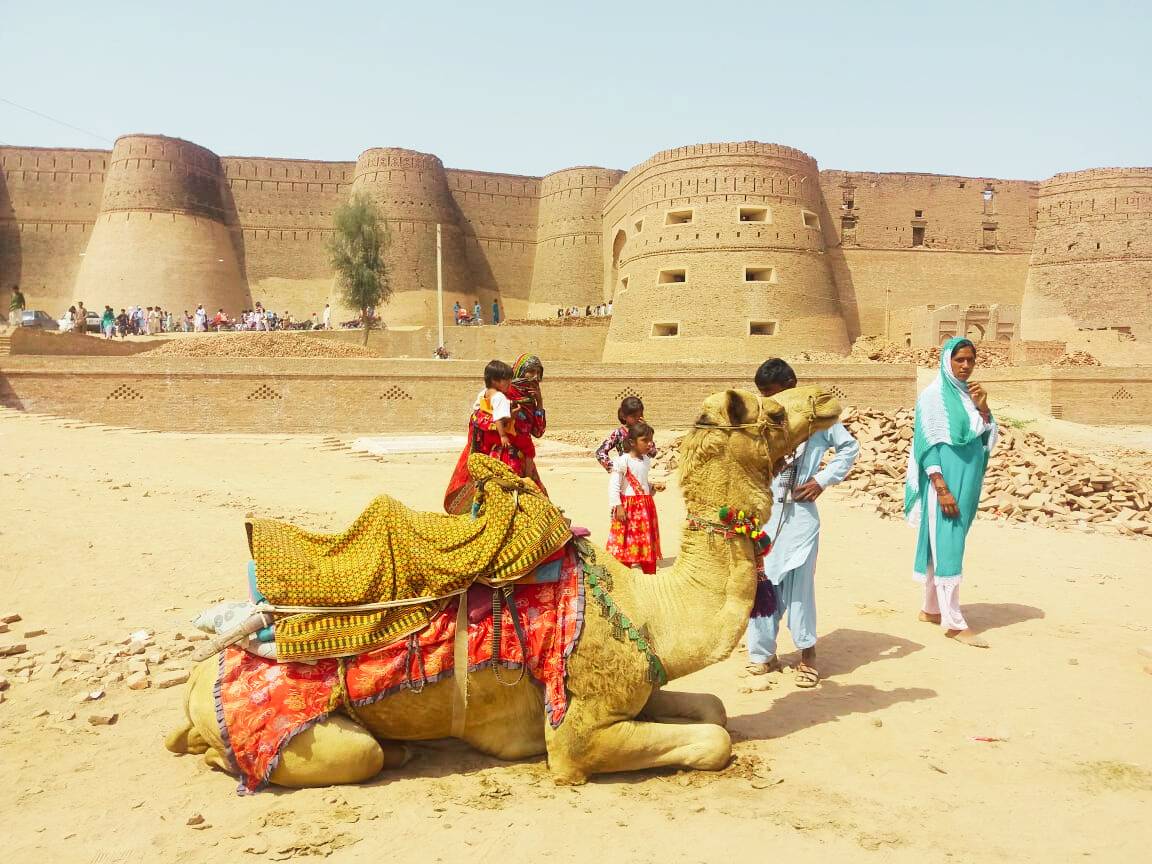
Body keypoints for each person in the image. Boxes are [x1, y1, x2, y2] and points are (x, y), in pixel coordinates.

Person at [744, 358, 859, 688]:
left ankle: (807, 657)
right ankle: (762, 655)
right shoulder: (762, 419)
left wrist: (822, 480)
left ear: (790, 387)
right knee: (762, 584)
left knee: (800, 589)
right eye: (763, 394)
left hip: (800, 520)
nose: (768, 400)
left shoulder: (816, 417)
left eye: (773, 393)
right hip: (766, 516)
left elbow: (849, 448)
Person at [905, 337, 998, 648]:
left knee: (942, 543)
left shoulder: (969, 397)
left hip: (968, 483)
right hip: (945, 485)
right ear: (947, 361)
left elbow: (986, 440)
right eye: (960, 360)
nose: (966, 366)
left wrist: (984, 408)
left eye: (971, 360)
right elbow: (927, 446)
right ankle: (954, 622)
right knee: (949, 545)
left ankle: (931, 609)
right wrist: (941, 489)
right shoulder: (933, 397)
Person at [605, 421, 664, 574]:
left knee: (645, 542)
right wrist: (618, 506)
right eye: (645, 440)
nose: (649, 444)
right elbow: (614, 486)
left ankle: (649, 575)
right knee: (626, 544)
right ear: (632, 442)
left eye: (651, 440)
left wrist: (652, 488)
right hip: (628, 509)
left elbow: (641, 483)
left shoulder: (646, 461)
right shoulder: (622, 461)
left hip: (645, 509)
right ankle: (625, 577)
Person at [596, 396, 657, 471]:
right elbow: (600, 452)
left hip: (640, 473)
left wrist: (646, 430)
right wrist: (613, 467)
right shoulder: (619, 433)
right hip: (625, 476)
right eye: (634, 416)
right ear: (624, 416)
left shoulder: (643, 433)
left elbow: (653, 453)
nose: (638, 418)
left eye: (640, 415)